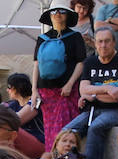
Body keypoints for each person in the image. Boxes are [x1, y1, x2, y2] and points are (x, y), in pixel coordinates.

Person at [61, 27, 118, 159]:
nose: (103, 45)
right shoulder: (90, 62)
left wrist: (93, 93)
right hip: (93, 110)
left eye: (107, 41)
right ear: (95, 44)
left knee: (95, 127)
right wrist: (108, 89)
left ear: (114, 43)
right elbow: (83, 90)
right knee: (67, 131)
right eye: (100, 41)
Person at [33, 0, 88, 148]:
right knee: (50, 132)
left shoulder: (75, 37)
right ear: (49, 16)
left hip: (67, 92)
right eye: (54, 12)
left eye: (61, 11)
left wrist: (70, 84)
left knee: (66, 132)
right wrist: (34, 91)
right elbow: (36, 64)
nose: (57, 14)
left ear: (67, 15)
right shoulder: (42, 38)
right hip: (46, 92)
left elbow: (81, 62)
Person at [5, 73, 45, 146]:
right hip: (21, 142)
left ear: (17, 88)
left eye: (9, 87)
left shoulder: (35, 100)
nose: (7, 90)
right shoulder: (13, 104)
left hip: (38, 140)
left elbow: (16, 120)